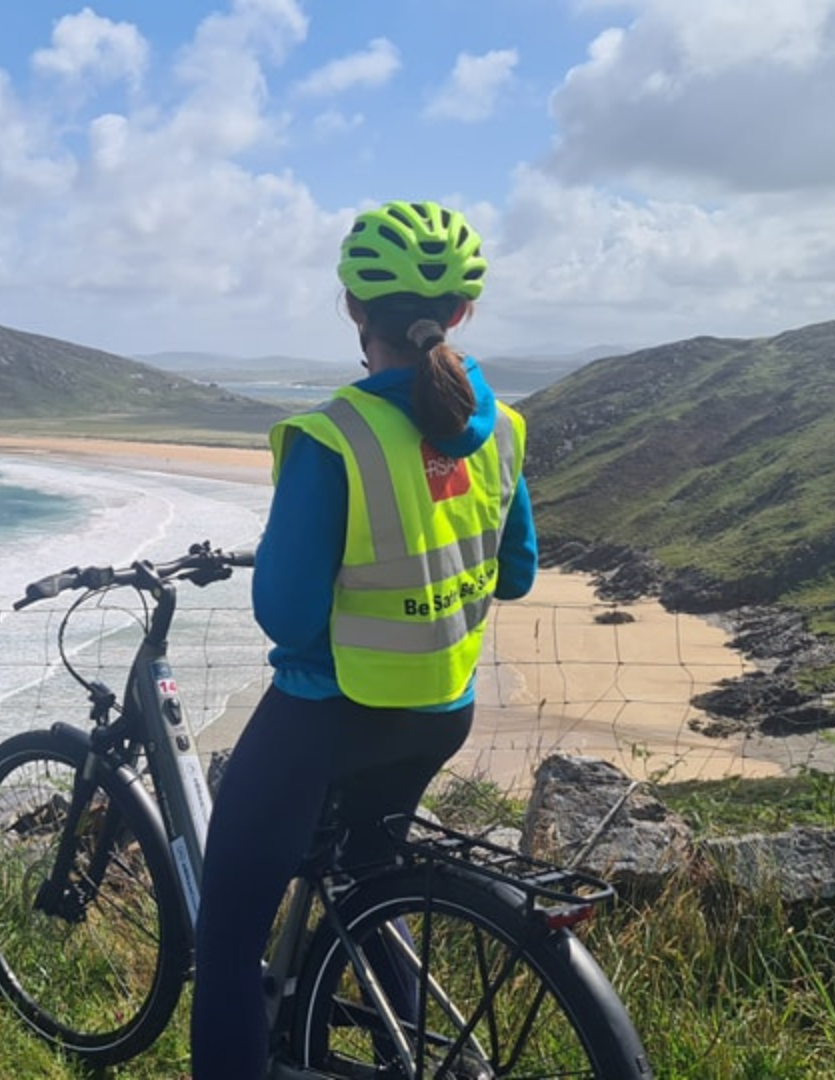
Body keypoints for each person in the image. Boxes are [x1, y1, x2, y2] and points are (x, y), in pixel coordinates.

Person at [189, 200, 539, 1077]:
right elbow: (517, 572)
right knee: (371, 885)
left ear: (353, 308)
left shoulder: (332, 435)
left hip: (326, 718)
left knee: (227, 942)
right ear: (462, 314)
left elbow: (287, 616)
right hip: (439, 709)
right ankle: (408, 1053)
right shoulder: (500, 428)